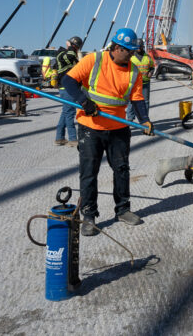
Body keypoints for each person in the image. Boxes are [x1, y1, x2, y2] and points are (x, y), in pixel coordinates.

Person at [60, 27, 151, 234]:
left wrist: (145, 120)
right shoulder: (94, 60)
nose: (131, 55)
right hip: (90, 127)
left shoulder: (134, 71)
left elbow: (137, 99)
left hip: (118, 128)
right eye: (128, 51)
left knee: (121, 169)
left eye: (133, 52)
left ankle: (123, 209)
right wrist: (84, 101)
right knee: (89, 172)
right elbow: (68, 81)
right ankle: (89, 215)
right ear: (117, 47)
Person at [54, 36, 83, 146]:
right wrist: (71, 46)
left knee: (65, 112)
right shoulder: (62, 54)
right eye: (75, 47)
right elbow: (70, 56)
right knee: (70, 112)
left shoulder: (72, 55)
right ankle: (72, 139)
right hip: (66, 88)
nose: (75, 50)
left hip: (69, 87)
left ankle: (59, 137)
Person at [129, 39, 155, 125]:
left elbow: (152, 67)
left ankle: (145, 120)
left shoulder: (148, 57)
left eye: (140, 47)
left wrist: (151, 72)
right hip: (133, 83)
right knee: (131, 101)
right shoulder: (131, 57)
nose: (138, 49)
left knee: (146, 102)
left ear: (142, 47)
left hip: (145, 83)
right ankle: (130, 118)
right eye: (137, 47)